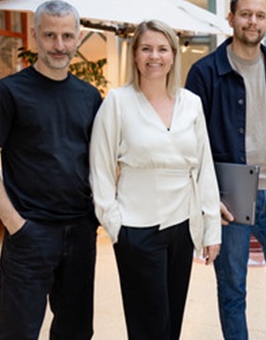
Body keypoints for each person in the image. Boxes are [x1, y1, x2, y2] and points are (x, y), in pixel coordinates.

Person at [0, 0, 102, 340]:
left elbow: (101, 161)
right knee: (18, 331)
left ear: (78, 38)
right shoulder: (8, 92)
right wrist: (15, 224)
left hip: (80, 230)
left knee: (76, 332)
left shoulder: (89, 96)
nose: (59, 45)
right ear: (34, 36)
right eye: (50, 35)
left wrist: (95, 217)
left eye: (67, 36)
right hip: (30, 232)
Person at [185, 0, 266, 340]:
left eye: (259, 15)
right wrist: (208, 197)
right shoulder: (205, 72)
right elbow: (192, 140)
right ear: (231, 18)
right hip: (229, 195)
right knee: (232, 287)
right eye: (245, 14)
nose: (252, 21)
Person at [90, 20, 221, 340]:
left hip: (182, 225)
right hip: (135, 227)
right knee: (148, 326)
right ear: (135, 54)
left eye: (163, 49)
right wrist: (114, 223)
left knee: (171, 322)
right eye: (146, 48)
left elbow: (204, 168)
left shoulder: (191, 103)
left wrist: (211, 229)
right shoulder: (117, 102)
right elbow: (100, 167)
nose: (154, 56)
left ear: (174, 55)